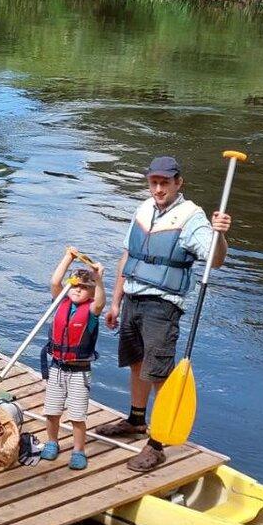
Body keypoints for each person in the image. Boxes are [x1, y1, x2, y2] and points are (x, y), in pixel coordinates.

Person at [99, 156, 233, 472]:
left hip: (162, 305)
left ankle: (157, 444)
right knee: (135, 362)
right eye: (154, 182)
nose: (158, 188)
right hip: (132, 298)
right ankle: (135, 420)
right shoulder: (143, 209)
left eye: (164, 182)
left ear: (178, 183)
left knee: (158, 372)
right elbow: (128, 256)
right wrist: (115, 301)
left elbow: (214, 260)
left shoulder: (192, 216)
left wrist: (221, 234)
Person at [38, 248, 104, 470]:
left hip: (79, 371)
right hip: (57, 367)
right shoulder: (61, 301)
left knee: (77, 415)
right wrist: (68, 258)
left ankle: (78, 450)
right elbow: (56, 281)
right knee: (52, 411)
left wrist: (99, 279)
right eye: (74, 285)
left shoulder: (93, 310)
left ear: (91, 293)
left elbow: (101, 301)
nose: (77, 290)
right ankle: (52, 442)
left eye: (84, 288)